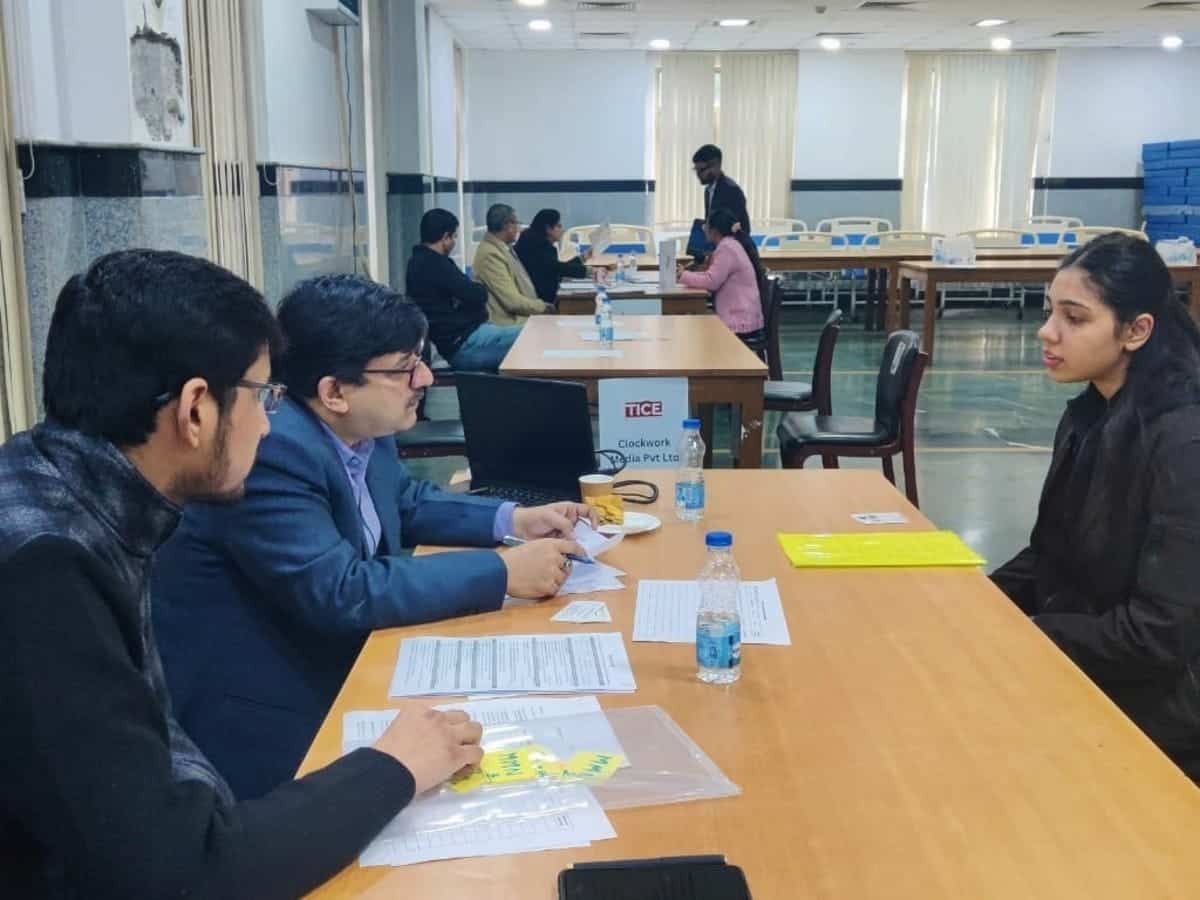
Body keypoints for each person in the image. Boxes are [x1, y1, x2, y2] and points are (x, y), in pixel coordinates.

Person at [0, 250, 484, 899]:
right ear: (196, 410)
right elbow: (183, 873)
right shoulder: (47, 572)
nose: (269, 424)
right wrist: (395, 766)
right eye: (263, 397)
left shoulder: (56, 485)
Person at [152, 273, 592, 801]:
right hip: (262, 706)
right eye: (405, 368)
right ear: (334, 391)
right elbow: (342, 590)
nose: (425, 378)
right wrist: (503, 571)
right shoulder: (273, 451)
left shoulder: (361, 428)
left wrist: (513, 520)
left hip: (337, 654)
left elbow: (406, 501)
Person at [990, 232, 1200, 782]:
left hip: (1165, 707)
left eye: (1074, 318)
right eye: (1049, 311)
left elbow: (1159, 634)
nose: (1047, 331)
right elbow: (1048, 554)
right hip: (1097, 658)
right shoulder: (1088, 413)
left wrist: (1026, 634)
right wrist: (975, 606)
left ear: (1136, 331)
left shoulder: (1183, 441)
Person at [406, 208, 522, 372]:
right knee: (529, 336)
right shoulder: (438, 265)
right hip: (465, 344)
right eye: (454, 236)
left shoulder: (415, 263)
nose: (454, 242)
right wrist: (474, 288)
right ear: (445, 237)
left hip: (460, 341)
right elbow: (477, 294)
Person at [677, 208, 765, 341]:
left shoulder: (726, 248)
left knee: (694, 333)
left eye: (706, 226)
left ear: (714, 231)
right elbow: (711, 275)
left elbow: (711, 281)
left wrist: (683, 276)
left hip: (739, 322)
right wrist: (685, 274)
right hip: (742, 317)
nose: (704, 229)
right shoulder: (730, 244)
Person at [473, 202, 553, 325]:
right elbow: (512, 302)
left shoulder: (503, 248)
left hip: (522, 316)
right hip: (508, 322)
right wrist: (543, 307)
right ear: (507, 225)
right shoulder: (490, 255)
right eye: (516, 223)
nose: (518, 228)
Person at [514, 208, 590, 305]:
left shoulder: (533, 242)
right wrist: (589, 271)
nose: (562, 230)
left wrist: (582, 258)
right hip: (542, 301)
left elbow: (556, 267)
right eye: (558, 226)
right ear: (548, 228)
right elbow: (557, 268)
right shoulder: (539, 247)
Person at [693, 144, 751, 236]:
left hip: (730, 243)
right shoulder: (708, 190)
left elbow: (740, 229)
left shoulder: (731, 191)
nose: (698, 174)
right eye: (696, 170)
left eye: (701, 170)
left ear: (716, 165)